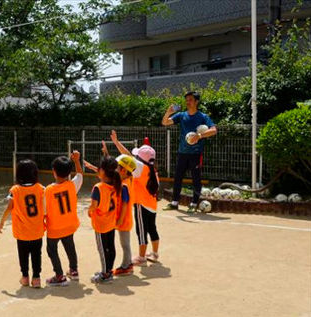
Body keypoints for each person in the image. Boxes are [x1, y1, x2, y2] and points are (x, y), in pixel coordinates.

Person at [161, 91, 217, 212]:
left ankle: (194, 203)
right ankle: (175, 202)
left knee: (196, 178)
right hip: (182, 152)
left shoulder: (203, 117)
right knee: (178, 177)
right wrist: (169, 112)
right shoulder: (181, 115)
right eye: (186, 100)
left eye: (190, 99)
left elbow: (214, 130)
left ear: (196, 102)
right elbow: (164, 122)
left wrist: (199, 136)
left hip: (196, 153)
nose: (187, 102)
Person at [110, 130, 160, 265]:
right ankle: (154, 254)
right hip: (152, 205)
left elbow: (126, 156)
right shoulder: (153, 170)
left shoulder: (140, 167)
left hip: (141, 204)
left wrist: (116, 142)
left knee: (141, 231)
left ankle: (142, 257)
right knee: (152, 229)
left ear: (141, 158)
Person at [0, 160, 44, 288]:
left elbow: (9, 208)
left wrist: (2, 222)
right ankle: (36, 278)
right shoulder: (40, 188)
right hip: (37, 229)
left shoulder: (15, 190)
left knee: (23, 255)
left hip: (22, 230)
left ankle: (25, 277)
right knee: (36, 254)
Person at [44, 151, 83, 286]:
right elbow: (80, 175)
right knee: (69, 246)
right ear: (68, 172)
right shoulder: (72, 185)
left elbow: (44, 210)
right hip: (70, 224)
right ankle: (73, 270)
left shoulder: (48, 190)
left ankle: (59, 275)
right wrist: (77, 160)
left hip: (55, 227)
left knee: (51, 250)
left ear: (54, 172)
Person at [88, 156, 121, 284]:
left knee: (102, 249)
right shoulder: (116, 184)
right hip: (111, 222)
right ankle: (109, 270)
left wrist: (89, 211)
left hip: (101, 224)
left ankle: (105, 274)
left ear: (102, 171)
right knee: (110, 247)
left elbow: (94, 206)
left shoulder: (99, 187)